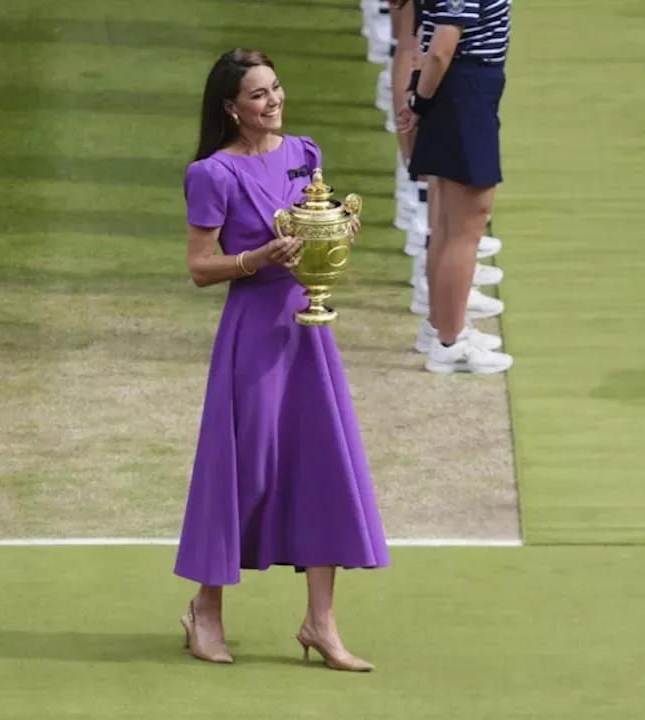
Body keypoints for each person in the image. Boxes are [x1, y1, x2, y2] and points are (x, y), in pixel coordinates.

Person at [173, 48, 389, 672]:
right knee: (248, 471)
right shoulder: (212, 174)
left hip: (309, 332)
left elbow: (320, 230)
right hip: (254, 337)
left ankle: (320, 623)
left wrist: (337, 240)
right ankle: (205, 612)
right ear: (231, 109)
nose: (273, 102)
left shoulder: (305, 155)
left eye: (276, 89)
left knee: (320, 468)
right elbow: (198, 268)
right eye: (258, 95)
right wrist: (258, 258)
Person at [397, 0, 514, 374]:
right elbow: (441, 48)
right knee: (466, 226)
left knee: (448, 225)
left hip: (460, 90)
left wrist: (421, 99)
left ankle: (441, 327)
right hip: (463, 92)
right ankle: (451, 341)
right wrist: (419, 103)